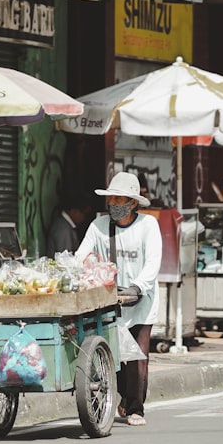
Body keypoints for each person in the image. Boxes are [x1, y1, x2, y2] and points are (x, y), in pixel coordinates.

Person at [75, 172, 161, 427]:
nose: (113, 203)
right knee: (112, 354)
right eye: (110, 199)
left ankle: (136, 407)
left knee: (137, 358)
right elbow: (82, 255)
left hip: (140, 301)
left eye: (119, 199)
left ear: (133, 203)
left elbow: (153, 262)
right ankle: (118, 396)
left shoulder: (148, 226)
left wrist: (137, 288)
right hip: (108, 301)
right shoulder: (98, 226)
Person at [45, 190, 94, 257]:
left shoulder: (65, 226)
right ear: (74, 211)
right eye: (84, 214)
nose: (84, 218)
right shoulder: (63, 229)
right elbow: (64, 258)